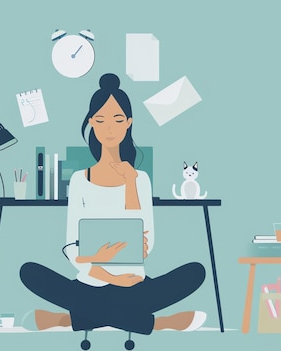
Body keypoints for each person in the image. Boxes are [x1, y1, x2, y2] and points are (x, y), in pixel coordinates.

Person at [19, 73, 206, 335]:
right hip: (90, 281)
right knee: (30, 272)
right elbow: (71, 245)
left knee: (195, 273)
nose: (110, 128)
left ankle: (68, 320)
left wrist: (130, 184)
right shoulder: (80, 180)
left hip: (134, 283)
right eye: (102, 120)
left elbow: (146, 244)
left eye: (118, 120)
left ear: (128, 123)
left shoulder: (139, 179)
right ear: (92, 122)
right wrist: (102, 268)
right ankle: (160, 323)